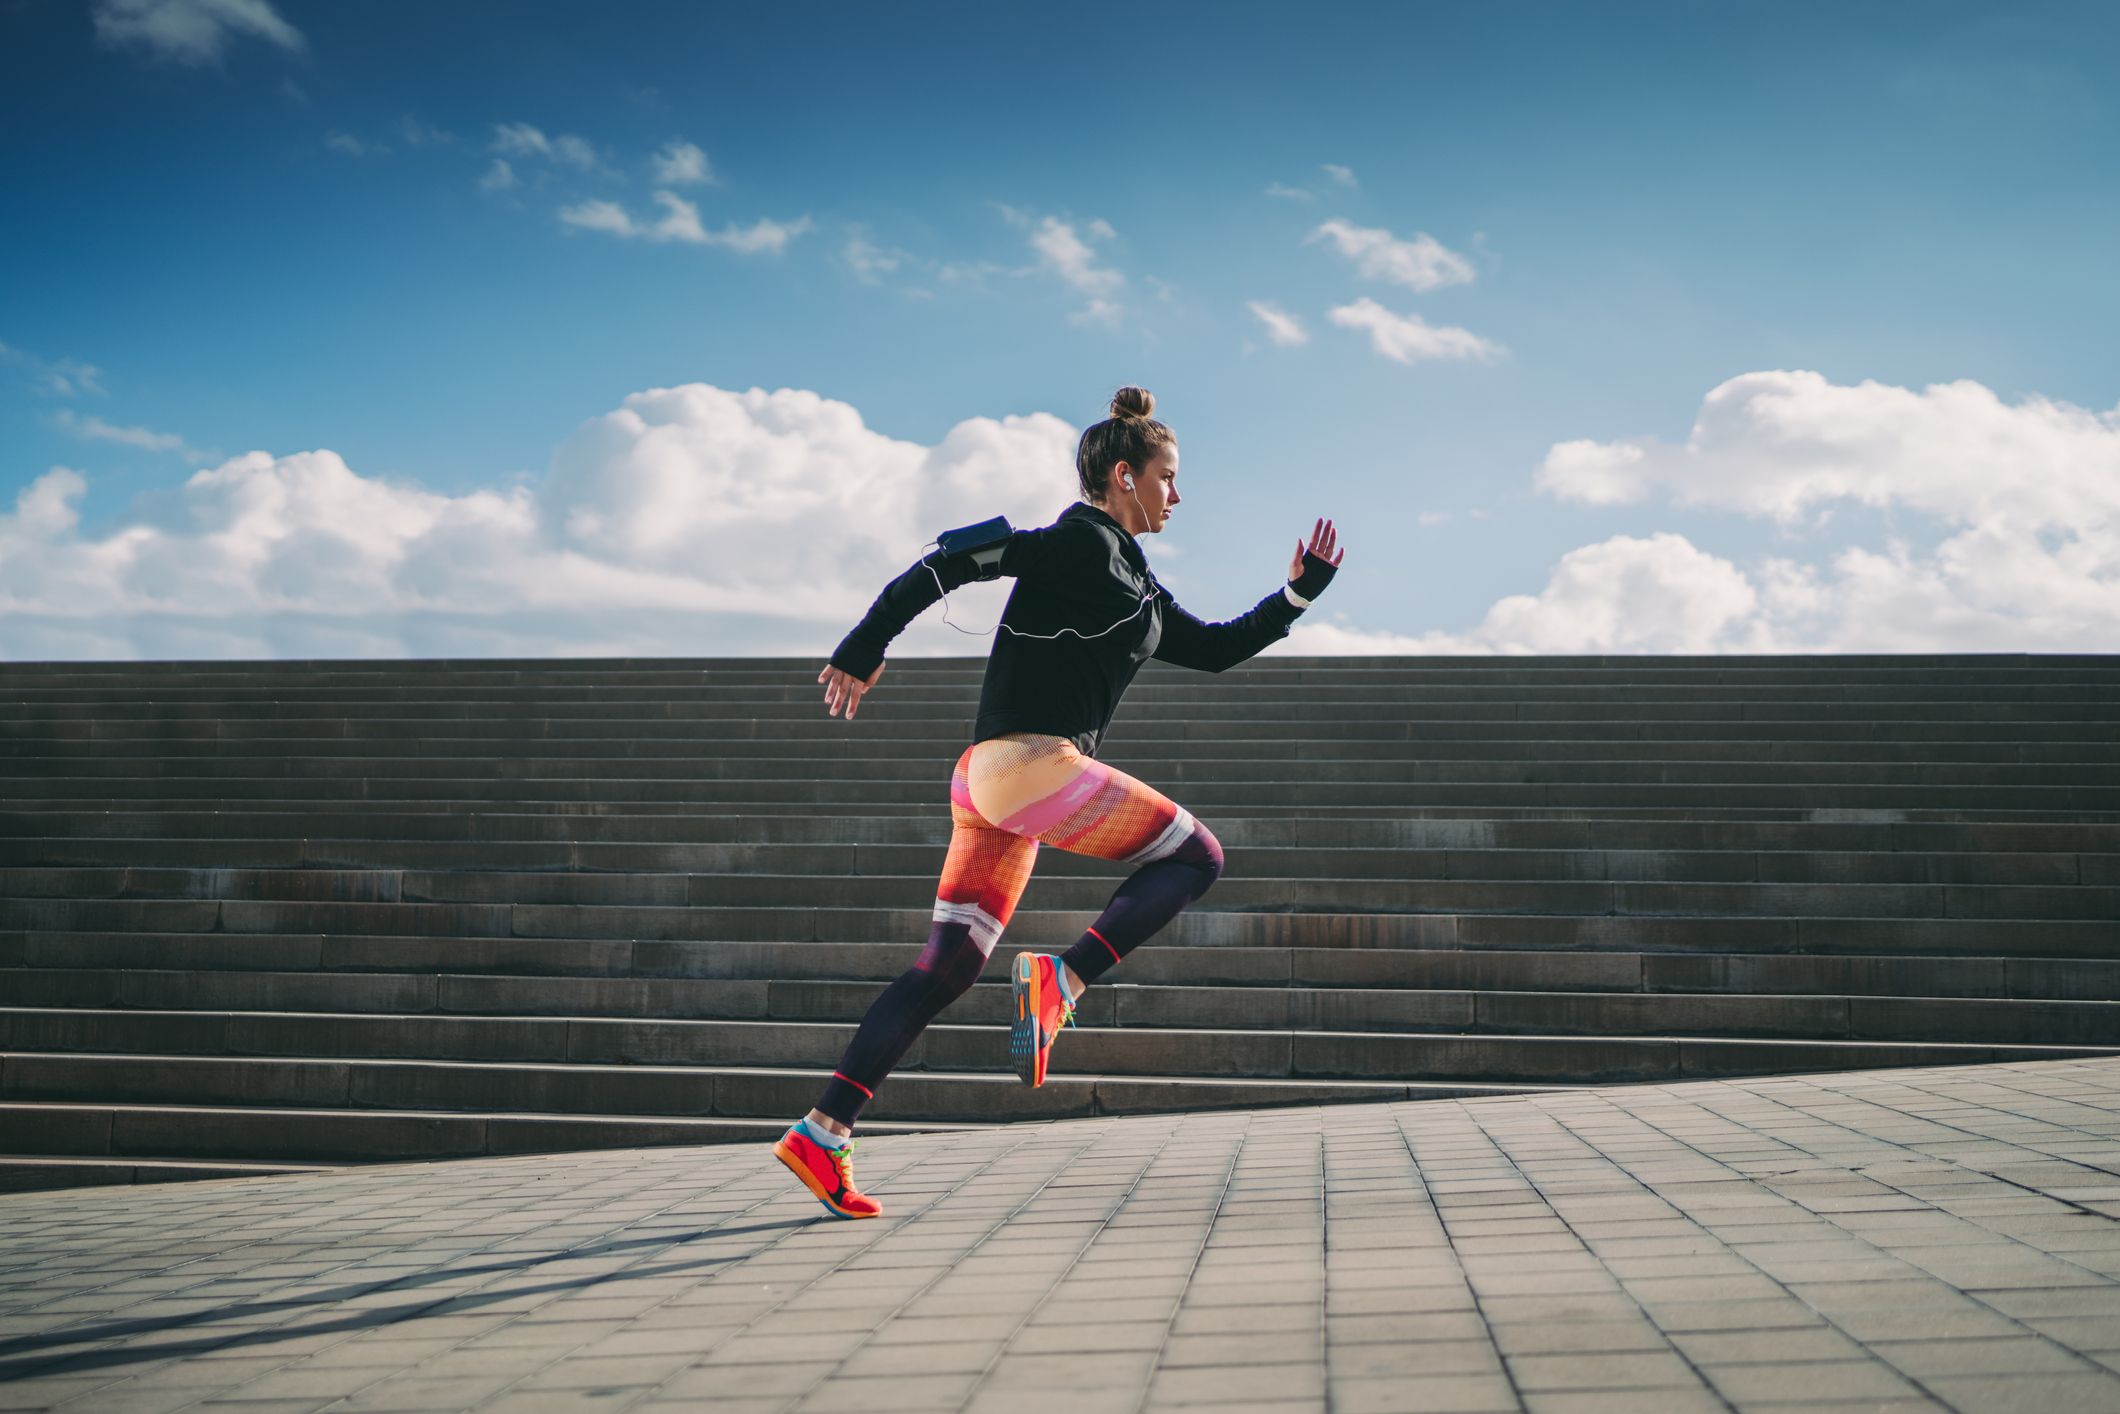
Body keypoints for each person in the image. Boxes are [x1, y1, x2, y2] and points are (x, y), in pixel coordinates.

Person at [773, 386, 1345, 1218]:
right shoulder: (1077, 543)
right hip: (1028, 764)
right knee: (1195, 856)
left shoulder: (1136, 580)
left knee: (948, 967)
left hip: (991, 787)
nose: (1178, 496)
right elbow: (947, 561)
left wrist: (1297, 595)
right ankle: (1062, 982)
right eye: (1169, 478)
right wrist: (863, 646)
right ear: (1124, 476)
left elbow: (1217, 650)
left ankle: (823, 1132)